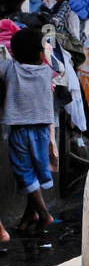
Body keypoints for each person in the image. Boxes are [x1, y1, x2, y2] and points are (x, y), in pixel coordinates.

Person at [1, 28, 58, 238]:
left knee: (24, 172)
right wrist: (49, 47)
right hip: (43, 128)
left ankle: (44, 214)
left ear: (14, 53)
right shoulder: (47, 70)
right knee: (37, 168)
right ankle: (30, 215)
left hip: (20, 130)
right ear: (41, 53)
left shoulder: (9, 68)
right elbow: (59, 64)